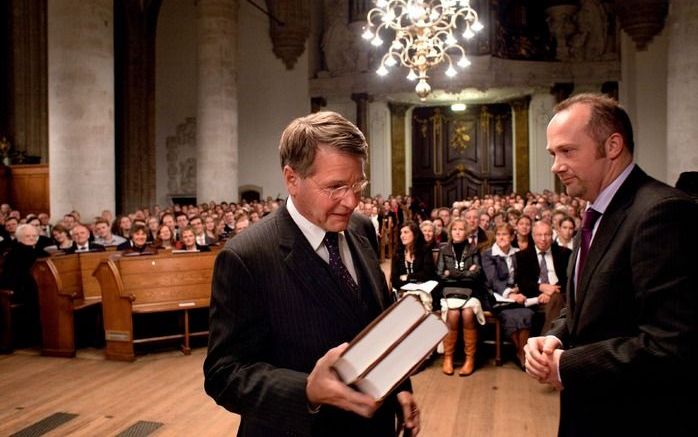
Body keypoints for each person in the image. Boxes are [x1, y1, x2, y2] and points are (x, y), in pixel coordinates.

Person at [204, 111, 419, 436]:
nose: (351, 201)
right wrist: (306, 390)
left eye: (357, 184)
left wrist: (399, 384)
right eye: (335, 187)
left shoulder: (361, 229)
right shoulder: (247, 256)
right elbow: (224, 373)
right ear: (292, 179)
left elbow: (376, 318)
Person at [524, 93, 698, 436]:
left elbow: (672, 345)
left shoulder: (660, 213)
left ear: (612, 145)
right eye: (553, 154)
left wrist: (567, 366)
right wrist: (555, 339)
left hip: (633, 416)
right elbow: (585, 301)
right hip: (589, 411)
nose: (555, 165)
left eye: (567, 151)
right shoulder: (595, 210)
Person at [436, 217, 490, 377]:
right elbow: (440, 275)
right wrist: (464, 273)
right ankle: (448, 357)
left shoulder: (473, 250)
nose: (457, 232)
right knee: (453, 314)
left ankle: (470, 358)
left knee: (467, 314)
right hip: (449, 292)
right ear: (450, 232)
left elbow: (476, 275)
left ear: (466, 232)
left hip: (470, 291)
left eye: (460, 229)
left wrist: (452, 273)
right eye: (454, 229)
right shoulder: (444, 250)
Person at [481, 223, 532, 369]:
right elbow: (492, 280)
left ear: (512, 237)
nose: (501, 238)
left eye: (505, 234)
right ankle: (521, 353)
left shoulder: (518, 253)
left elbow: (523, 277)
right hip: (496, 297)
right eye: (498, 235)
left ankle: (520, 352)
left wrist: (518, 289)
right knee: (510, 316)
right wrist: (509, 293)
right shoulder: (488, 255)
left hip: (517, 295)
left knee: (526, 314)